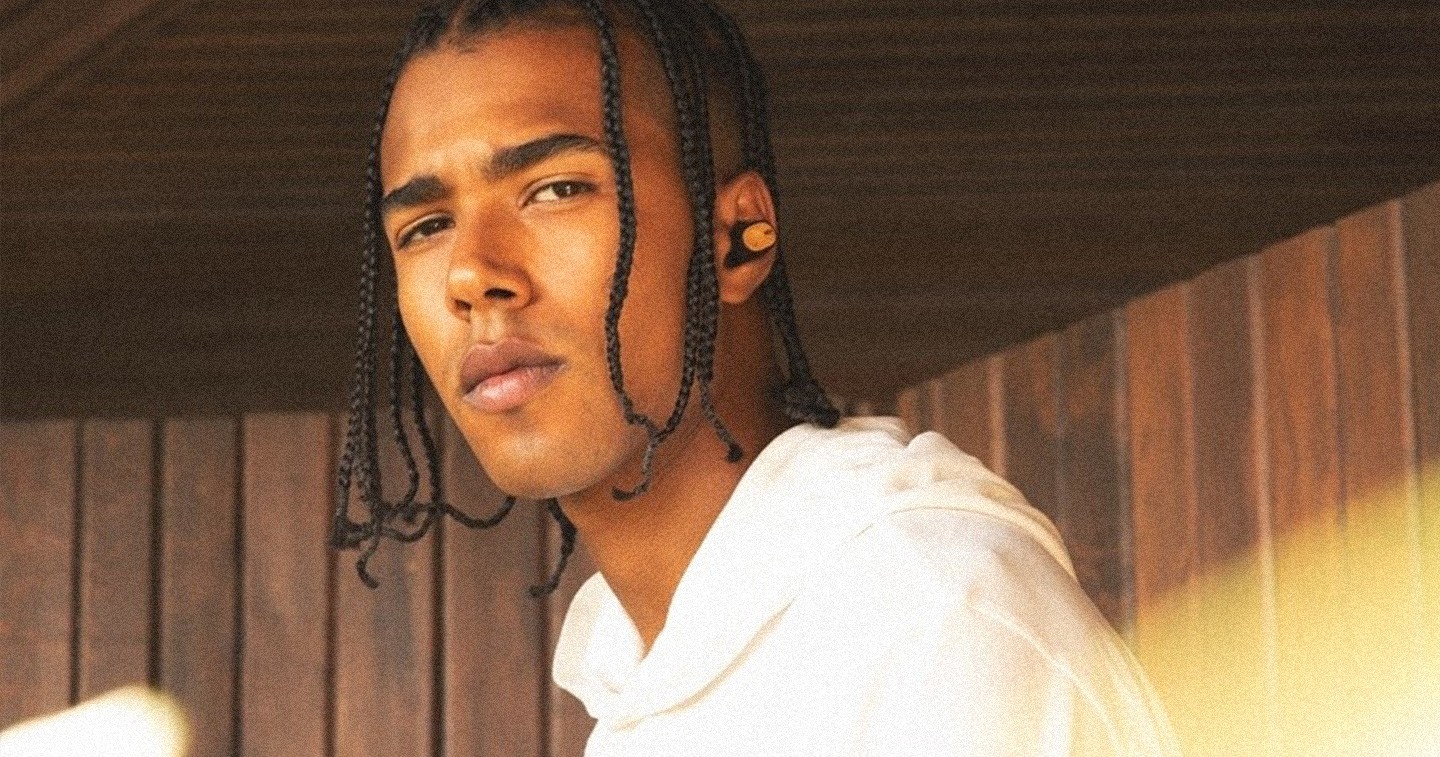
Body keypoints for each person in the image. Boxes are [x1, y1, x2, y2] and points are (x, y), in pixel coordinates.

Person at [329, 0, 1182, 753]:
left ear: (739, 237)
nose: (471, 274)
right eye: (426, 226)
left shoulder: (929, 624)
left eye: (554, 189)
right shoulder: (649, 680)